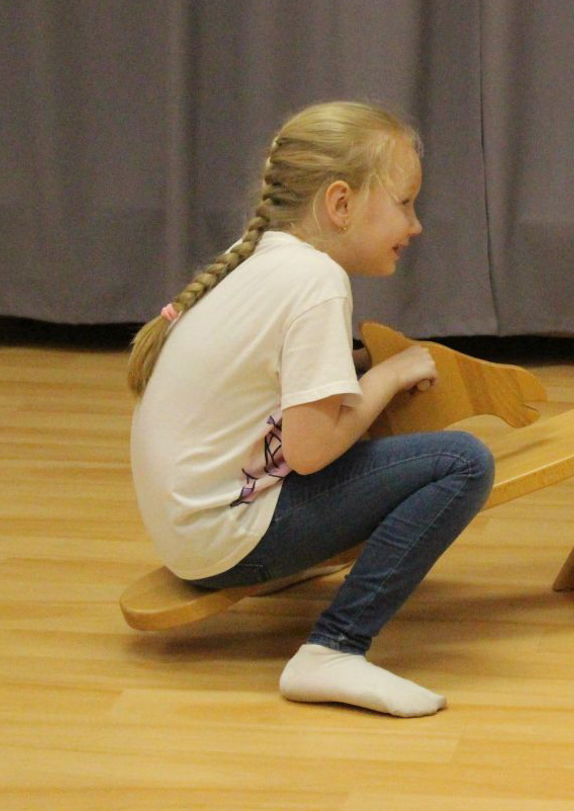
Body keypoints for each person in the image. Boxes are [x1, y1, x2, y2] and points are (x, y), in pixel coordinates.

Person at [127, 101, 492, 717]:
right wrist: (389, 375)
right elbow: (312, 451)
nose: (416, 225)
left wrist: (363, 370)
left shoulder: (263, 259)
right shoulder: (316, 281)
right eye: (404, 203)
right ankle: (334, 648)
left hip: (185, 532)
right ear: (340, 203)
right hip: (221, 539)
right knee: (463, 463)